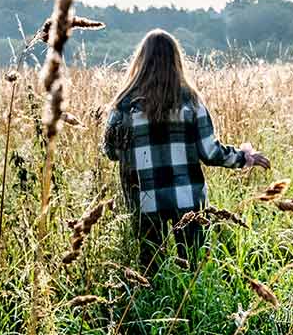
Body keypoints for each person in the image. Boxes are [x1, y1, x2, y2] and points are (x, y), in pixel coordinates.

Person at [100, 29, 270, 269]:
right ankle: (188, 304)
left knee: (150, 271)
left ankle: (155, 306)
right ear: (176, 60)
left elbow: (110, 152)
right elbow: (210, 152)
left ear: (141, 60)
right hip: (187, 198)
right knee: (192, 267)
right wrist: (244, 158)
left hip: (144, 199)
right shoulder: (190, 100)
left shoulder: (124, 104)